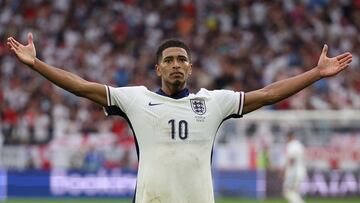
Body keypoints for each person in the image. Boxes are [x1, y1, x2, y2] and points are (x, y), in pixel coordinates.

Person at [7, 33, 352, 203]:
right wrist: (37, 64)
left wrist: (315, 74)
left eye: (182, 59)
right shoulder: (135, 99)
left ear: (190, 67)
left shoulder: (214, 103)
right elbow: (82, 86)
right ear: (157, 68)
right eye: (169, 59)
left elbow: (268, 94)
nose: (176, 64)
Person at [283, 131, 307, 203]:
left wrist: (287, 172)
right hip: (301, 171)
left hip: (294, 172)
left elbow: (292, 160)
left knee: (288, 191)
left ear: (290, 137)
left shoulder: (291, 145)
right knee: (294, 192)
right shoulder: (299, 145)